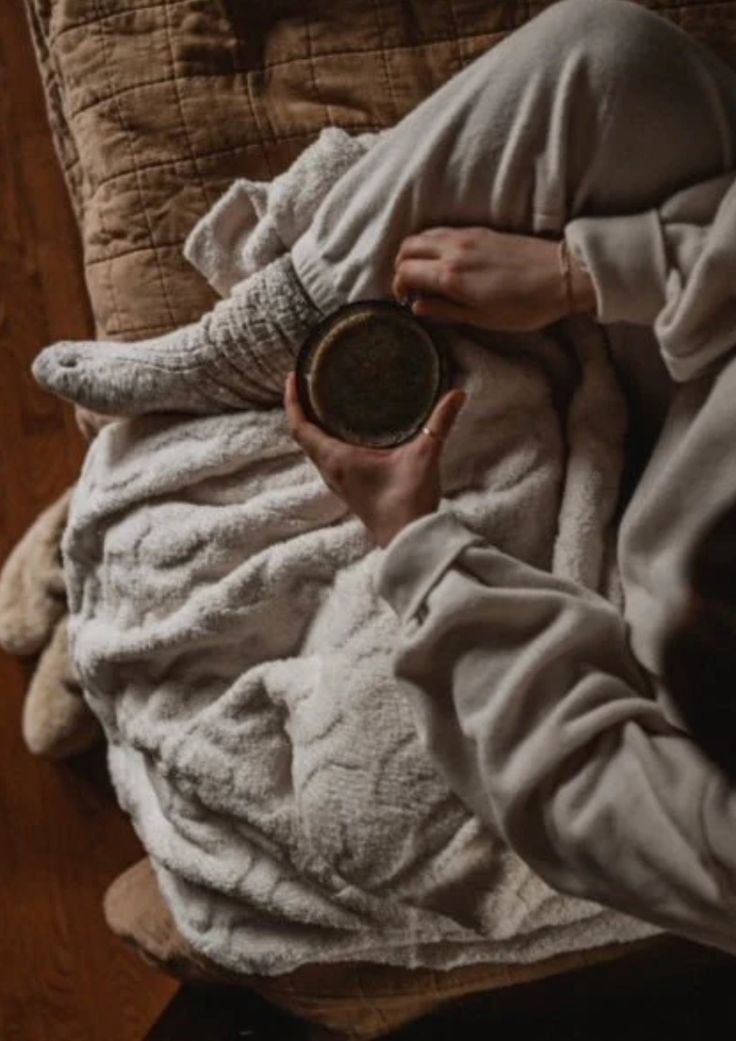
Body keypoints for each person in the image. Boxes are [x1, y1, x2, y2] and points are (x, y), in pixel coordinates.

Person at [33, 0, 736, 953]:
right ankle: (232, 364)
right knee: (613, 61)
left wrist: (419, 541)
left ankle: (117, 543)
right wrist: (592, 270)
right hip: (705, 350)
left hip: (626, 636)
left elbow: (583, 784)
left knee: (363, 806)